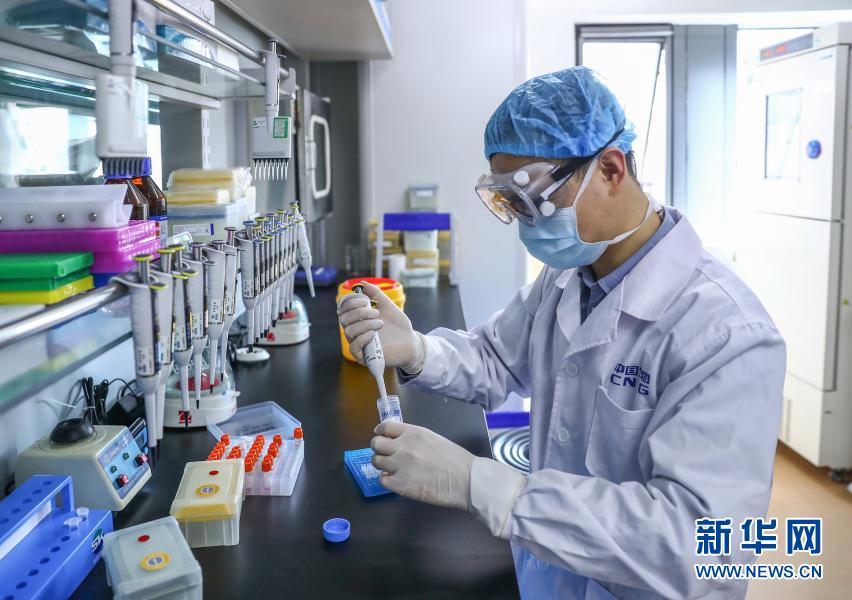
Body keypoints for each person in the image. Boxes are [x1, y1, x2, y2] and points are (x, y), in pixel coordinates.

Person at [337, 67, 786, 599]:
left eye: (533, 197)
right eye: (510, 203)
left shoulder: (727, 335)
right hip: (547, 577)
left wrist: (484, 486)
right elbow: (496, 359)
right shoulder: (568, 275)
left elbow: (699, 546)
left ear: (611, 169)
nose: (526, 222)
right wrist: (418, 349)